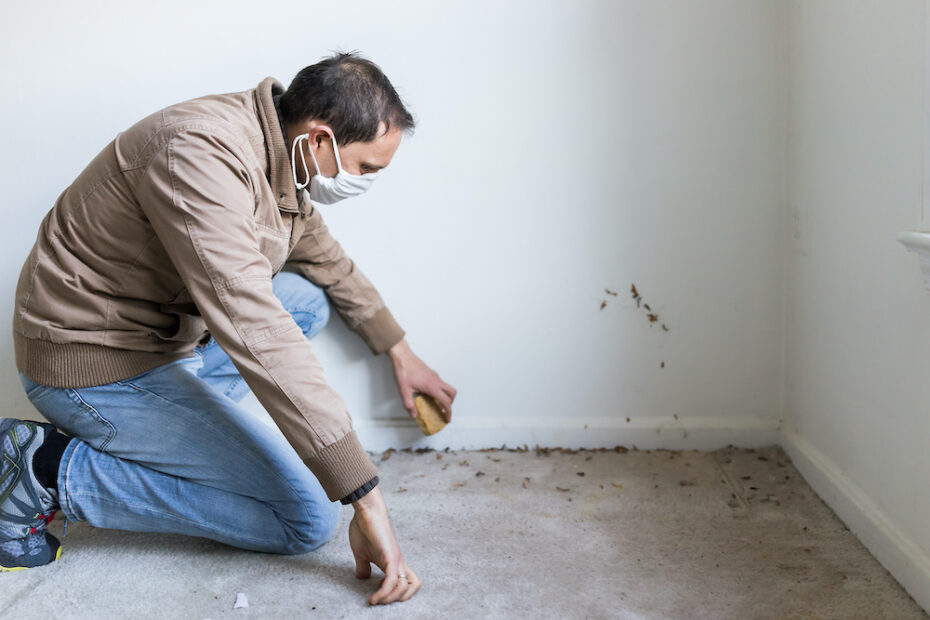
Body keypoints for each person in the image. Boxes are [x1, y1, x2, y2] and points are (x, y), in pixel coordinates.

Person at [0, 51, 456, 606]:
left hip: (159, 337)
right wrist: (364, 494)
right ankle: (43, 470)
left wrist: (400, 352)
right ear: (320, 139)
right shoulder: (198, 155)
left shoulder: (280, 157)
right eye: (366, 168)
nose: (365, 181)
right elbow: (254, 325)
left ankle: (165, 431)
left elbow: (327, 262)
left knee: (305, 301)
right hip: (92, 361)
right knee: (305, 518)